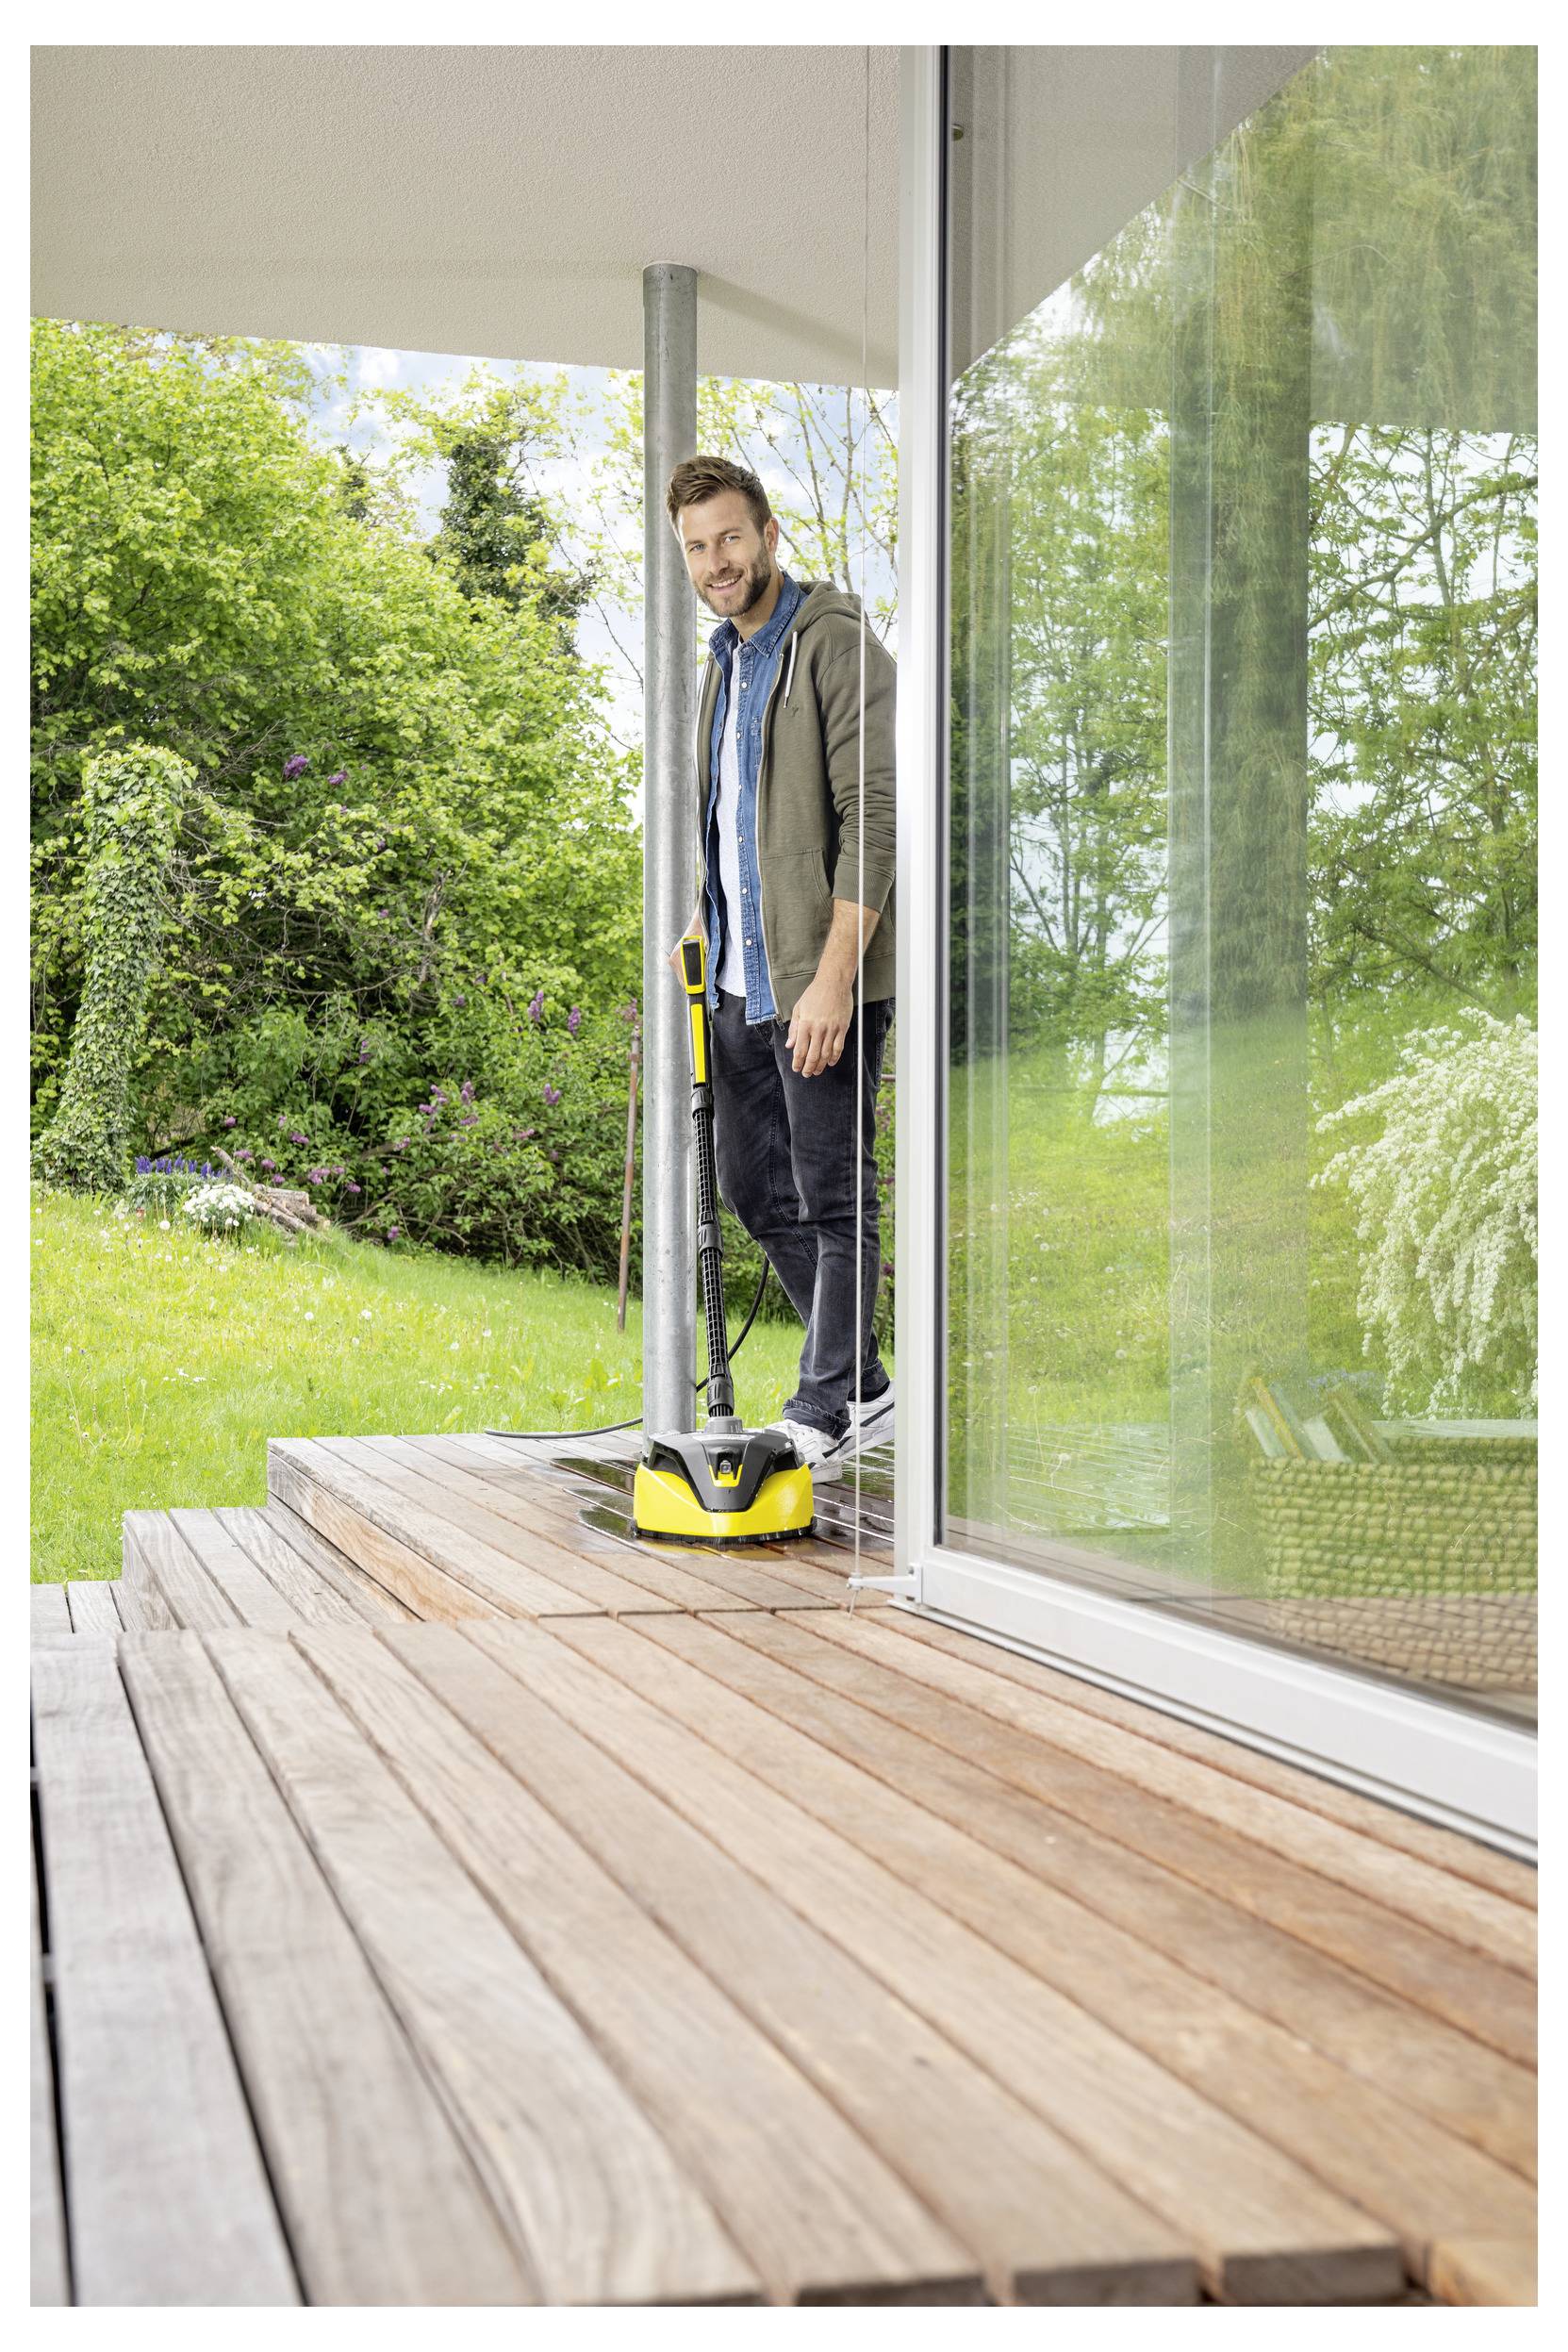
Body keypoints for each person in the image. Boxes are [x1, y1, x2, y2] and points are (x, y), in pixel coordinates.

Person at [666, 454, 896, 1466]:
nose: (716, 561)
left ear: (766, 532)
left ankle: (824, 1403)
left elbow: (876, 818)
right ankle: (866, 1382)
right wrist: (705, 922)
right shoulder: (723, 663)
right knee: (753, 1190)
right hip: (735, 982)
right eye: (697, 547)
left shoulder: (835, 644)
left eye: (729, 537)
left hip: (817, 981)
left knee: (836, 1193)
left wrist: (835, 979)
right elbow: (737, 826)